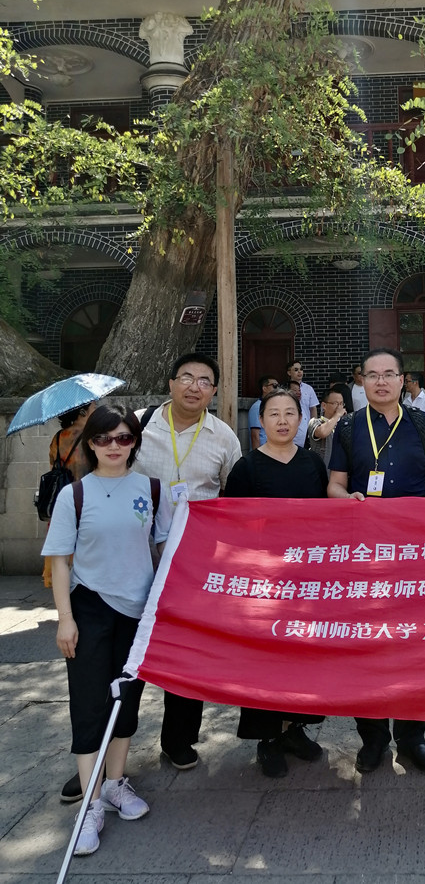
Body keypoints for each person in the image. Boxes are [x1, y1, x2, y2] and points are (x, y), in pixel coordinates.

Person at [58, 353, 242, 802]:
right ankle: (94, 763)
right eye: (186, 378)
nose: (194, 386)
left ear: (213, 390)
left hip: (197, 562)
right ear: (171, 382)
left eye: (205, 381)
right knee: (109, 671)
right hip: (138, 560)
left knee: (186, 652)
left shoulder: (224, 436)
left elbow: (233, 495)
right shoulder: (138, 423)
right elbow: (106, 476)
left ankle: (178, 739)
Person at [42, 405, 173, 856]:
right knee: (89, 704)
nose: (113, 446)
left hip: (138, 612)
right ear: (90, 444)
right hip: (90, 607)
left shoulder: (153, 489)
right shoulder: (74, 495)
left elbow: (164, 549)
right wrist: (65, 618)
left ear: (135, 442)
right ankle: (91, 803)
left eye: (123, 438)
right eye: (103, 438)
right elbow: (60, 561)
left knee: (126, 702)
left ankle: (116, 784)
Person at [328, 347, 425, 775]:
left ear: (402, 380)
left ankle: (413, 738)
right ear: (361, 381)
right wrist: (348, 498)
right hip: (367, 556)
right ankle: (374, 737)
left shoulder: (422, 423)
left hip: (416, 555)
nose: (380, 381)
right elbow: (334, 485)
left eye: (389, 374)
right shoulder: (348, 427)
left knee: (417, 645)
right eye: (372, 375)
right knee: (368, 646)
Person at [224, 387, 328, 777]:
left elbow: (327, 520)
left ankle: (294, 728)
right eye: (273, 414)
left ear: (301, 420)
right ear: (261, 421)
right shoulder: (246, 468)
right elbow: (233, 527)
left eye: (289, 413)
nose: (282, 421)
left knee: (303, 656)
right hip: (263, 581)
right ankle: (267, 738)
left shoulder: (313, 463)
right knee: (265, 660)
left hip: (306, 580)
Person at [42, 401, 95, 589]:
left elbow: (53, 466)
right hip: (86, 499)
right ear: (83, 411)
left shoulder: (58, 438)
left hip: (61, 500)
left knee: (62, 550)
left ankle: (63, 590)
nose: (96, 410)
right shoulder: (93, 438)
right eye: (93, 407)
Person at [307, 384, 352, 471]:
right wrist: (337, 415)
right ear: (324, 405)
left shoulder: (344, 425)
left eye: (341, 403)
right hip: (323, 472)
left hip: (342, 472)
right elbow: (323, 432)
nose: (339, 407)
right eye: (335, 403)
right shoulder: (315, 422)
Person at [286, 360, 319, 447]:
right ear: (289, 373)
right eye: (296, 370)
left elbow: (313, 408)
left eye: (301, 369)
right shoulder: (284, 388)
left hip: (306, 428)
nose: (299, 372)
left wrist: (314, 426)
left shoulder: (308, 389)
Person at [248, 375, 279, 449]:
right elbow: (255, 435)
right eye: (274, 386)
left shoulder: (273, 406)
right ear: (264, 388)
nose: (277, 389)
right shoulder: (257, 407)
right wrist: (257, 455)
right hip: (262, 451)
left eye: (278, 386)